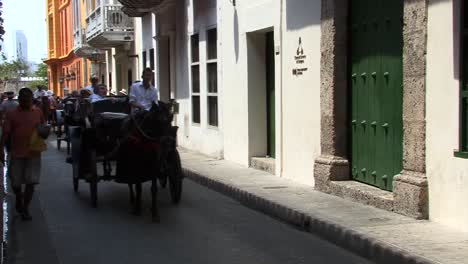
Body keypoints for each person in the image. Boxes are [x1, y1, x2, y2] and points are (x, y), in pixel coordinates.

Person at [0, 87, 45, 221]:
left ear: (32, 99)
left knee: (31, 182)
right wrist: (1, 150)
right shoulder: (11, 114)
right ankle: (19, 197)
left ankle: (25, 208)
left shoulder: (37, 112)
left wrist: (43, 133)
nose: (26, 101)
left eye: (28, 99)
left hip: (33, 153)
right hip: (17, 152)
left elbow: (43, 127)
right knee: (15, 182)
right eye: (23, 99)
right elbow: (6, 134)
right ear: (19, 99)